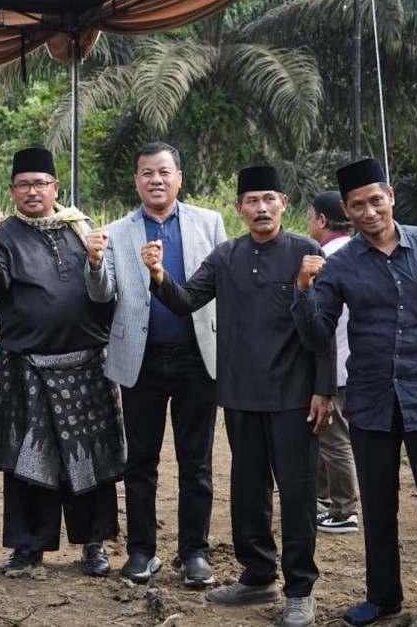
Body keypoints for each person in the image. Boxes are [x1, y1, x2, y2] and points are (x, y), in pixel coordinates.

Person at [292, 158, 417, 627]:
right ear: (346, 209)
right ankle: (383, 597)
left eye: (376, 200)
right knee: (378, 507)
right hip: (370, 402)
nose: (369, 211)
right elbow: (317, 335)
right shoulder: (340, 264)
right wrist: (302, 289)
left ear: (391, 197)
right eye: (357, 205)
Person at [143, 165, 335, 627]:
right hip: (240, 393)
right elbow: (187, 300)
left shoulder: (306, 252)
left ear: (284, 204)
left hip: (293, 396)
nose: (261, 208)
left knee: (297, 491)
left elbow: (323, 331)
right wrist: (156, 273)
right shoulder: (226, 255)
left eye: (270, 198)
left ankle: (300, 588)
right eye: (252, 200)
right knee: (248, 490)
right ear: (239, 209)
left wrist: (324, 389)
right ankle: (257, 574)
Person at [85, 141, 225, 587]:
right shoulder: (116, 231)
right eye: (147, 173)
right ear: (137, 181)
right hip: (140, 361)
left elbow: (225, 287)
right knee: (140, 461)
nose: (156, 180)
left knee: (196, 462)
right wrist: (93, 263)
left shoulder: (209, 223)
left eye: (164, 172)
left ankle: (194, 553)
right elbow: (102, 295)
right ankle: (142, 551)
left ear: (178, 177)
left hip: (197, 359)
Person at [0, 148, 125, 576]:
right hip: (27, 365)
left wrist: (98, 258)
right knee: (29, 459)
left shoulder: (82, 229)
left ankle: (93, 544)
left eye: (40, 183)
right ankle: (28, 546)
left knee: (90, 457)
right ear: (11, 191)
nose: (31, 191)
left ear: (55, 187)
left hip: (85, 364)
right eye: (22, 184)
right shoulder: (4, 234)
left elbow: (106, 290)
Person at [306, 191, 360, 534]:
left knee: (333, 436)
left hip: (335, 362)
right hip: (351, 359)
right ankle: (326, 497)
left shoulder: (324, 258)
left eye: (310, 216)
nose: (309, 223)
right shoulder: (356, 252)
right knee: (328, 432)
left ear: (322, 220)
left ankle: (344, 510)